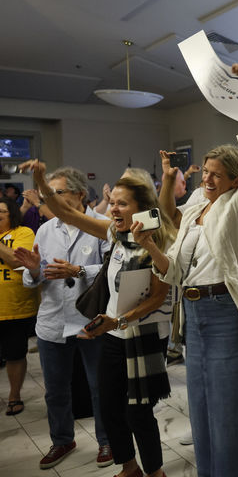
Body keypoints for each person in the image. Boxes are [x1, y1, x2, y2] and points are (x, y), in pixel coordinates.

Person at [133, 64, 238, 477]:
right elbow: (176, 270)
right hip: (194, 316)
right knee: (201, 408)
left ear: (236, 180)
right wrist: (149, 245)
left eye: (218, 174)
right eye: (206, 172)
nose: (209, 178)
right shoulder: (197, 206)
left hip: (228, 313)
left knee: (232, 412)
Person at [20, 159, 176, 477]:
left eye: (122, 204)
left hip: (143, 335)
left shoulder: (157, 238)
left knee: (139, 411)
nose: (114, 209)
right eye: (113, 202)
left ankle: (155, 471)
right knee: (108, 406)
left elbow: (159, 297)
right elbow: (65, 212)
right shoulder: (114, 232)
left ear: (141, 207)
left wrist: (117, 321)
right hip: (114, 334)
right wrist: (40, 182)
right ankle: (129, 467)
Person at [14, 167, 113, 469]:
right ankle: (62, 440)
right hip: (53, 320)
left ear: (80, 194)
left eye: (57, 193)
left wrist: (79, 271)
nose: (50, 199)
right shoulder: (46, 229)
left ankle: (107, 441)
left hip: (90, 320)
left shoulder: (102, 226)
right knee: (56, 389)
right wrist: (33, 269)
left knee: (100, 387)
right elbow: (36, 278)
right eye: (49, 195)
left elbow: (113, 270)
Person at [0, 196, 39, 417]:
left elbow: (17, 261)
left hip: (15, 307)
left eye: (1, 212)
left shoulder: (22, 233)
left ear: (12, 214)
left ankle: (14, 396)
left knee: (15, 354)